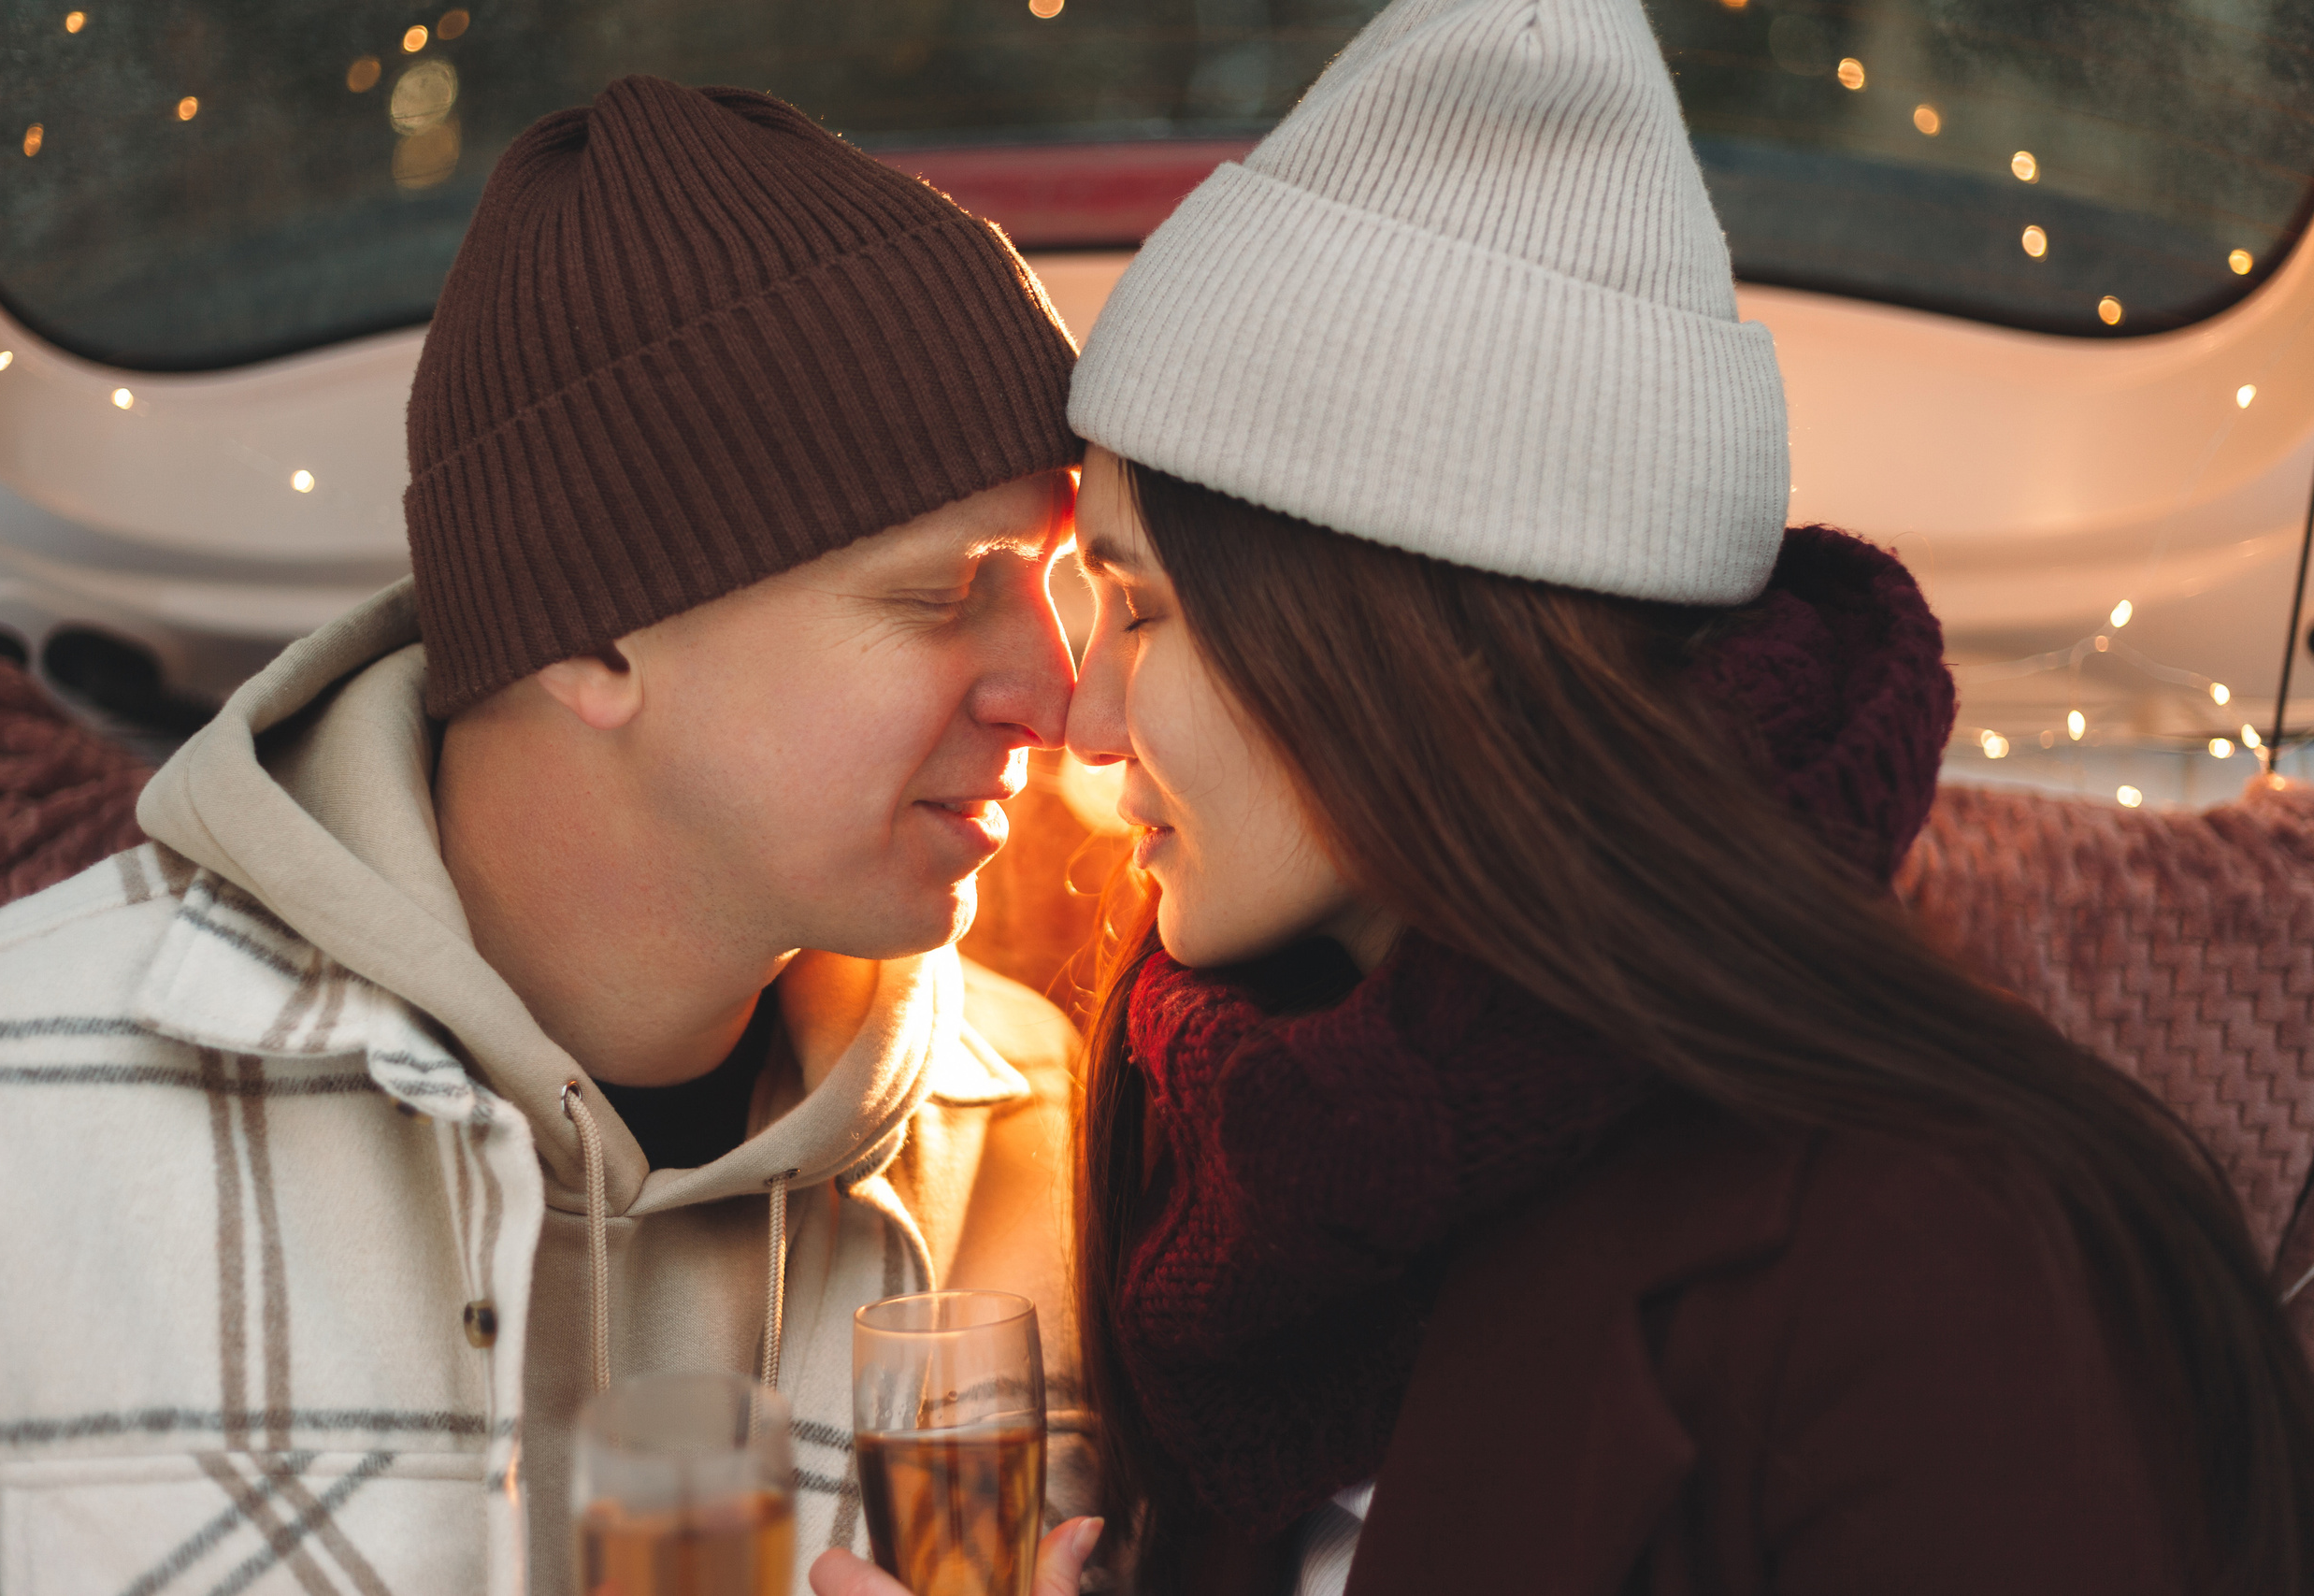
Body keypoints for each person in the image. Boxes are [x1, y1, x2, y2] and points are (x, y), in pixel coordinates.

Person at [816, 1, 2314, 1594]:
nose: (1085, 714)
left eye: (1143, 608)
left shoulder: (1949, 1267)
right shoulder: (1261, 1161)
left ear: (1419, 656)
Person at [0, 78, 1097, 1596]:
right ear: (596, 634)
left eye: (1064, 587)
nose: (1059, 698)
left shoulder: (1030, 1121)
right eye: (948, 592)